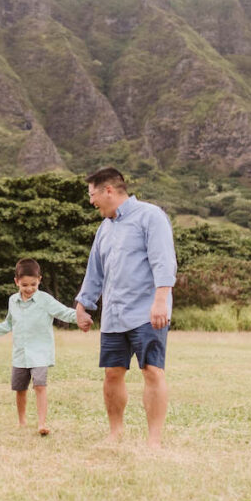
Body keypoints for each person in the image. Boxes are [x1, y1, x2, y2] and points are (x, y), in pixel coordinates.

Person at [74, 167, 177, 448]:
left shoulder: (150, 216)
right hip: (114, 314)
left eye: (92, 195)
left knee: (152, 370)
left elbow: (163, 261)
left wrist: (160, 301)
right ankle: (115, 432)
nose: (91, 201)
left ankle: (154, 439)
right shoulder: (104, 229)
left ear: (109, 190)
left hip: (147, 310)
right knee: (112, 372)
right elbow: (95, 272)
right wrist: (84, 305)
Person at [0, 258, 78, 436]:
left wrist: (80, 317)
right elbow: (8, 324)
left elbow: (64, 312)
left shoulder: (45, 300)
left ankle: (42, 423)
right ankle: (22, 421)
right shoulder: (13, 301)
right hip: (20, 354)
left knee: (40, 386)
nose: (29, 289)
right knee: (20, 389)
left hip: (40, 353)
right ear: (16, 282)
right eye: (24, 285)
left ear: (39, 280)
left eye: (33, 284)